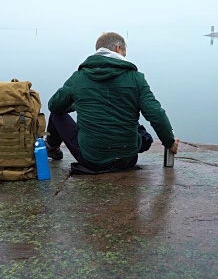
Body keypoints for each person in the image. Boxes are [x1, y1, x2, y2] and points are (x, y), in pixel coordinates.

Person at [46, 32, 179, 174]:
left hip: (91, 160)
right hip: (127, 159)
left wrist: (79, 104)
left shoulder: (79, 78)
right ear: (117, 48)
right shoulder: (136, 78)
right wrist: (169, 143)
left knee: (56, 115)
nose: (124, 58)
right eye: (124, 53)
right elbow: (155, 114)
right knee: (135, 124)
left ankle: (52, 149)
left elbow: (54, 105)